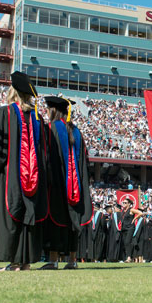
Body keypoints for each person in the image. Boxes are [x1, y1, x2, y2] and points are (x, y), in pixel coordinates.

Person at [0, 71, 48, 271]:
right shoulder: (37, 118)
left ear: (12, 92)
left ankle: (14, 263)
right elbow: (44, 152)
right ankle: (25, 262)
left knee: (13, 215)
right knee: (28, 216)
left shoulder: (5, 113)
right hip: (34, 179)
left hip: (9, 177)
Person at [40, 96, 92, 270]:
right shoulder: (77, 131)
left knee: (55, 221)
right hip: (75, 185)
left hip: (57, 184)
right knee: (72, 223)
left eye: (48, 109)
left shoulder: (51, 128)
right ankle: (72, 260)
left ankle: (54, 260)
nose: (46, 112)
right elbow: (84, 161)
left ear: (54, 110)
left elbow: (46, 157)